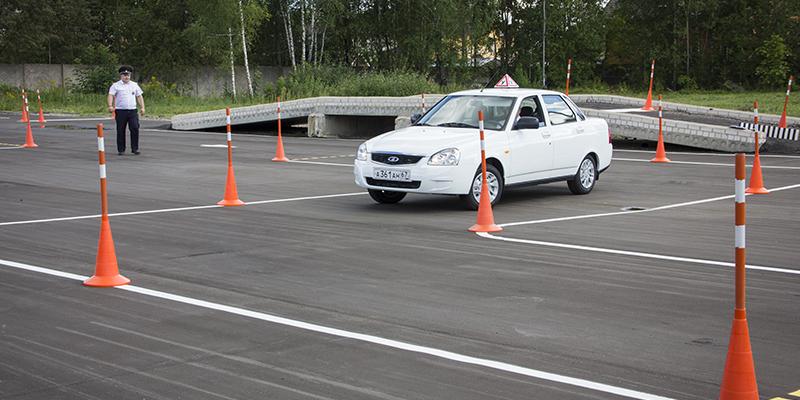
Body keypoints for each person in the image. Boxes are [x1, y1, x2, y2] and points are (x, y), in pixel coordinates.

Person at [107, 66, 145, 155]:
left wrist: (142, 107)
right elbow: (111, 95)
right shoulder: (115, 85)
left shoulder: (134, 85)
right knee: (121, 130)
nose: (126, 77)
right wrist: (110, 105)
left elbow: (139, 96)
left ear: (130, 75)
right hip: (121, 111)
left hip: (132, 111)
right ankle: (121, 149)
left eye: (128, 75)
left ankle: (135, 148)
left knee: (135, 128)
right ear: (121, 75)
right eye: (124, 75)